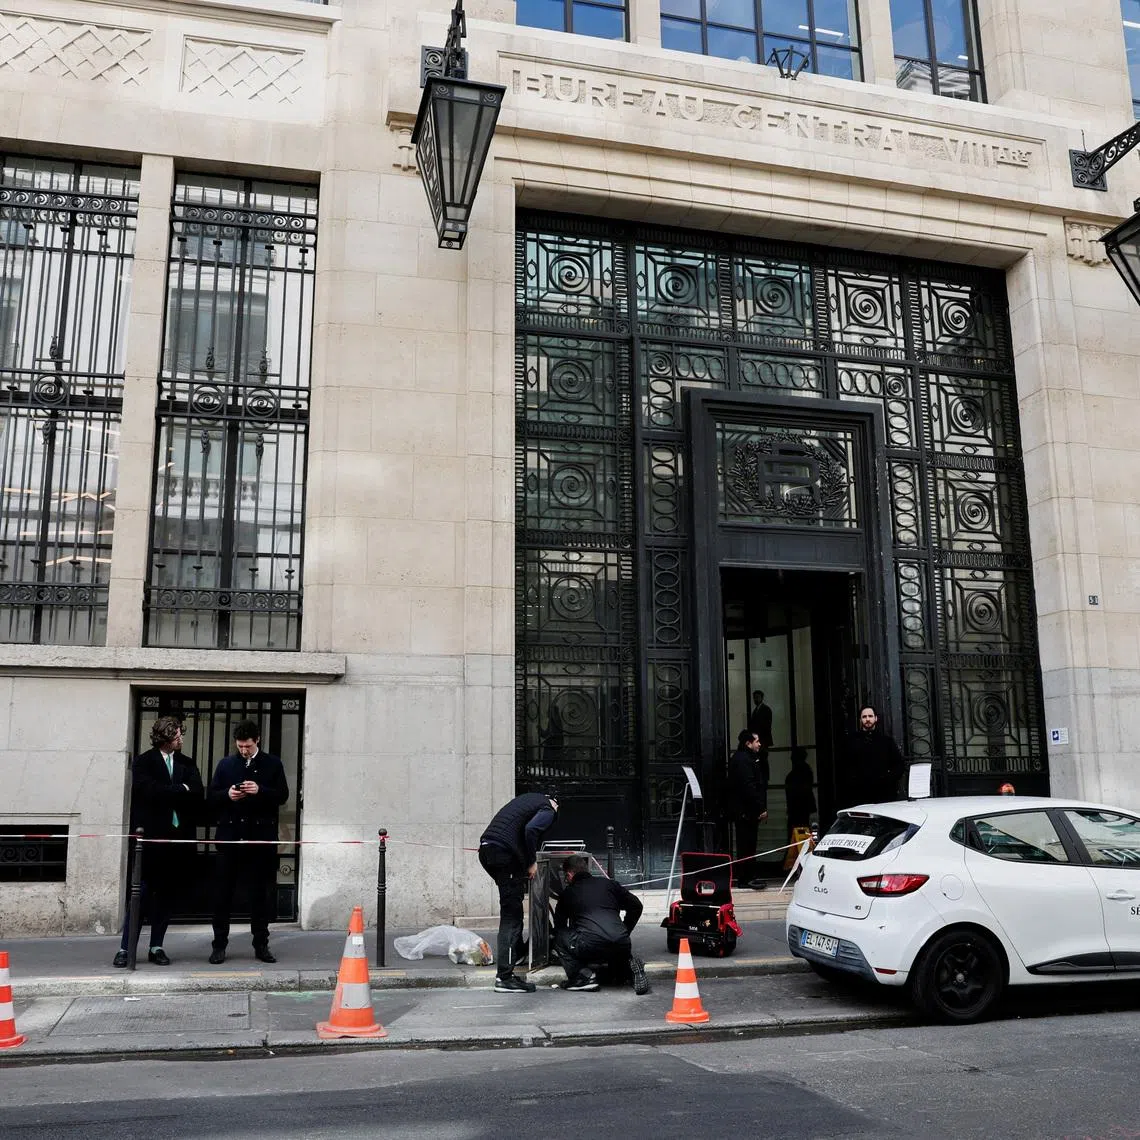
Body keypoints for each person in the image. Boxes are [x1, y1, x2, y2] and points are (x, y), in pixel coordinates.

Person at [113, 716, 203, 968]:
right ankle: (125, 949)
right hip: (150, 843)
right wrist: (180, 789)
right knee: (139, 896)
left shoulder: (187, 763)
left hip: (176, 842)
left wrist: (174, 791)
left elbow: (197, 793)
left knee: (165, 896)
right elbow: (148, 792)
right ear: (166, 738)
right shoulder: (144, 762)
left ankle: (157, 946)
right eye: (177, 735)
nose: (181, 739)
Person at [207, 720, 289, 965]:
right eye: (240, 746)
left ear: (257, 740)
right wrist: (228, 794)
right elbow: (212, 796)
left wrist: (260, 790)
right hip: (230, 838)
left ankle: (261, 944)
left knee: (260, 895)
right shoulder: (225, 764)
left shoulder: (273, 764)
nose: (243, 750)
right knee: (223, 895)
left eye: (248, 746)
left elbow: (282, 795)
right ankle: (219, 945)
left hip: (260, 838)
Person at [478, 791, 559, 994]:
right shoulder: (548, 808)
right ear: (556, 803)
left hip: (488, 850)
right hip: (504, 854)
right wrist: (531, 862)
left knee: (512, 904)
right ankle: (504, 977)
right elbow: (531, 830)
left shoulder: (529, 800)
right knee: (512, 916)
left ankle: (518, 953)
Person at [553, 854, 647, 994]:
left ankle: (582, 977)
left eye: (566, 877)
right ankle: (629, 970)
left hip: (590, 946)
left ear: (569, 874)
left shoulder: (569, 892)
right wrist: (625, 930)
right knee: (615, 956)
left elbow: (559, 925)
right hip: (621, 943)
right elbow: (636, 906)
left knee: (559, 938)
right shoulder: (609, 884)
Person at [726, 728, 769, 890]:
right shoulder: (744, 760)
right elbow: (749, 786)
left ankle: (748, 876)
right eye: (757, 741)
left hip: (745, 811)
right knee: (747, 845)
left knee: (748, 845)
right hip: (746, 812)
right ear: (748, 743)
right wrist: (760, 808)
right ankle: (745, 878)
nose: (759, 744)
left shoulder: (744, 758)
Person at [840, 705, 905, 808]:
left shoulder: (886, 741)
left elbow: (899, 765)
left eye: (870, 716)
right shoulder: (851, 742)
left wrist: (887, 780)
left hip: (884, 796)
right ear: (860, 720)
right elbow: (845, 767)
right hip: (859, 796)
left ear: (876, 718)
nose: (867, 719)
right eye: (864, 717)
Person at [784, 746, 817, 833]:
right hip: (801, 806)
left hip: (798, 807)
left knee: (797, 828)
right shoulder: (806, 770)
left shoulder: (797, 773)